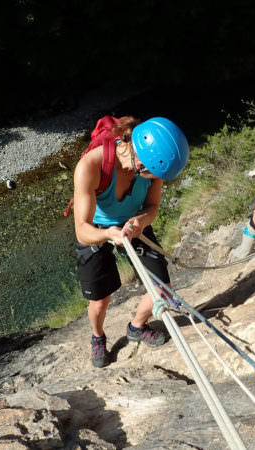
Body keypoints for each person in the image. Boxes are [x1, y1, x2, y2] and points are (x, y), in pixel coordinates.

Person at [73, 116, 189, 367]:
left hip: (131, 223)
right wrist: (108, 234)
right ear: (139, 159)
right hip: (96, 227)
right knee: (100, 300)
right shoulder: (91, 166)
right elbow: (82, 230)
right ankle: (97, 336)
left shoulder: (152, 168)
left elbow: (152, 206)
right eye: (152, 173)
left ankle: (136, 327)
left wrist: (141, 221)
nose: (155, 178)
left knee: (162, 289)